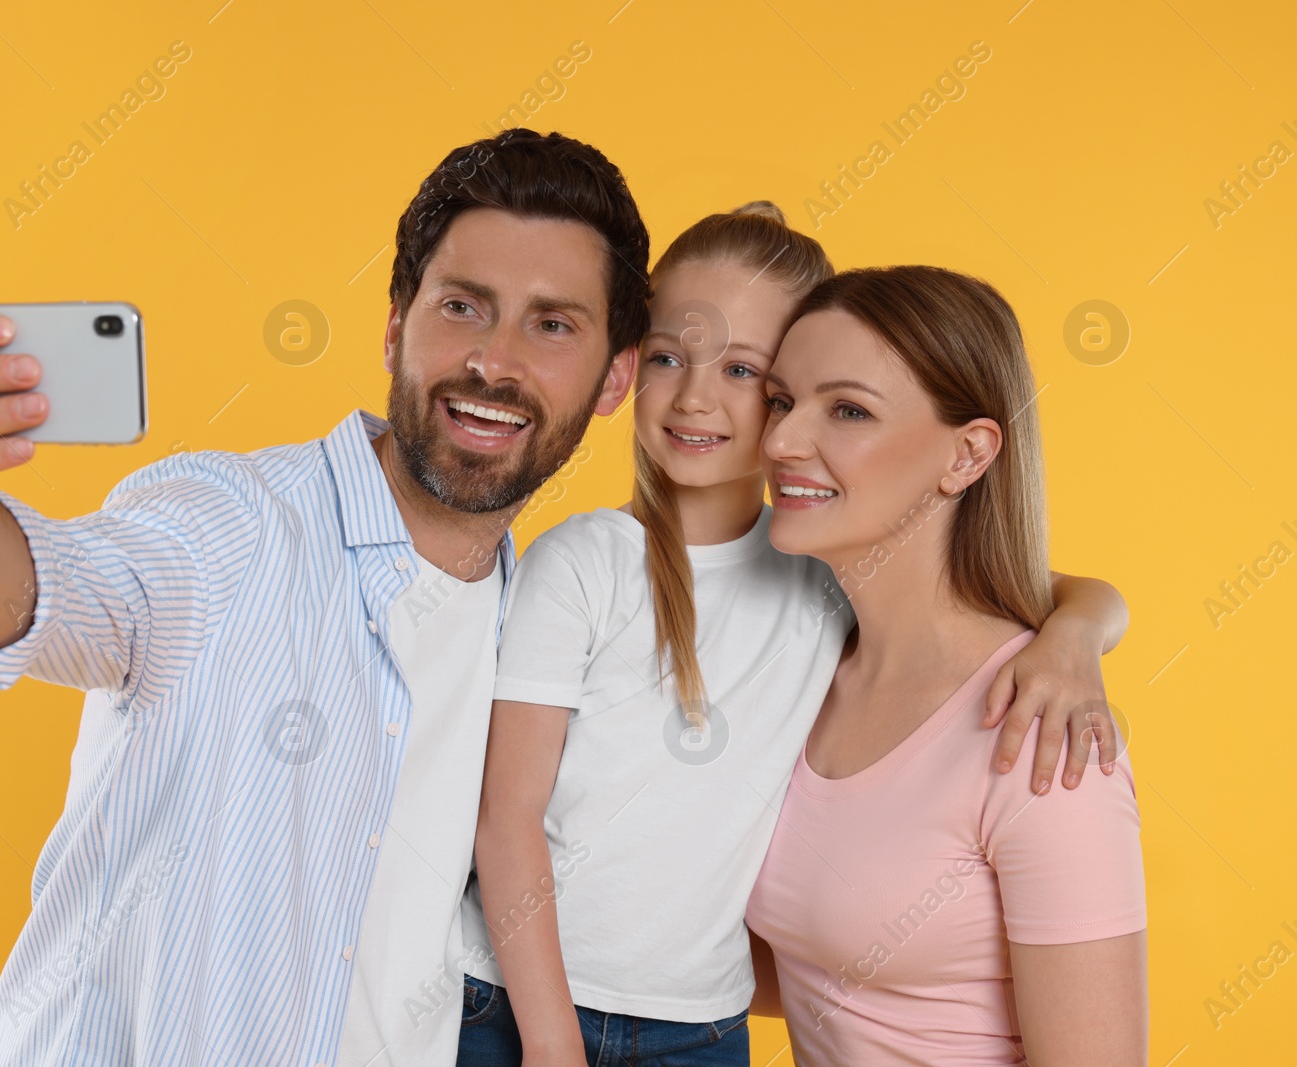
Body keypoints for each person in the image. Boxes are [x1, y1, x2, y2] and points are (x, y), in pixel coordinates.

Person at [0, 128, 650, 1067]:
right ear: (396, 323)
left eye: (552, 325)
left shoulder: (547, 626)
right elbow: (49, 595)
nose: (494, 361)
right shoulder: (230, 524)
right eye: (463, 306)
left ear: (615, 378)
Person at [458, 209, 1130, 1066]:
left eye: (748, 374)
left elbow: (1031, 584)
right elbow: (505, 812)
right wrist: (550, 1040)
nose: (701, 397)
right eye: (669, 357)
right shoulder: (595, 561)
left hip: (697, 1024)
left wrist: (1078, 631)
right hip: (515, 1004)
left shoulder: (822, 579)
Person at [746, 265, 1147, 1065]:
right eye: (782, 401)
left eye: (849, 409)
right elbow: (795, 961)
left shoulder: (1043, 737)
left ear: (967, 455)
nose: (780, 442)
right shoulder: (794, 665)